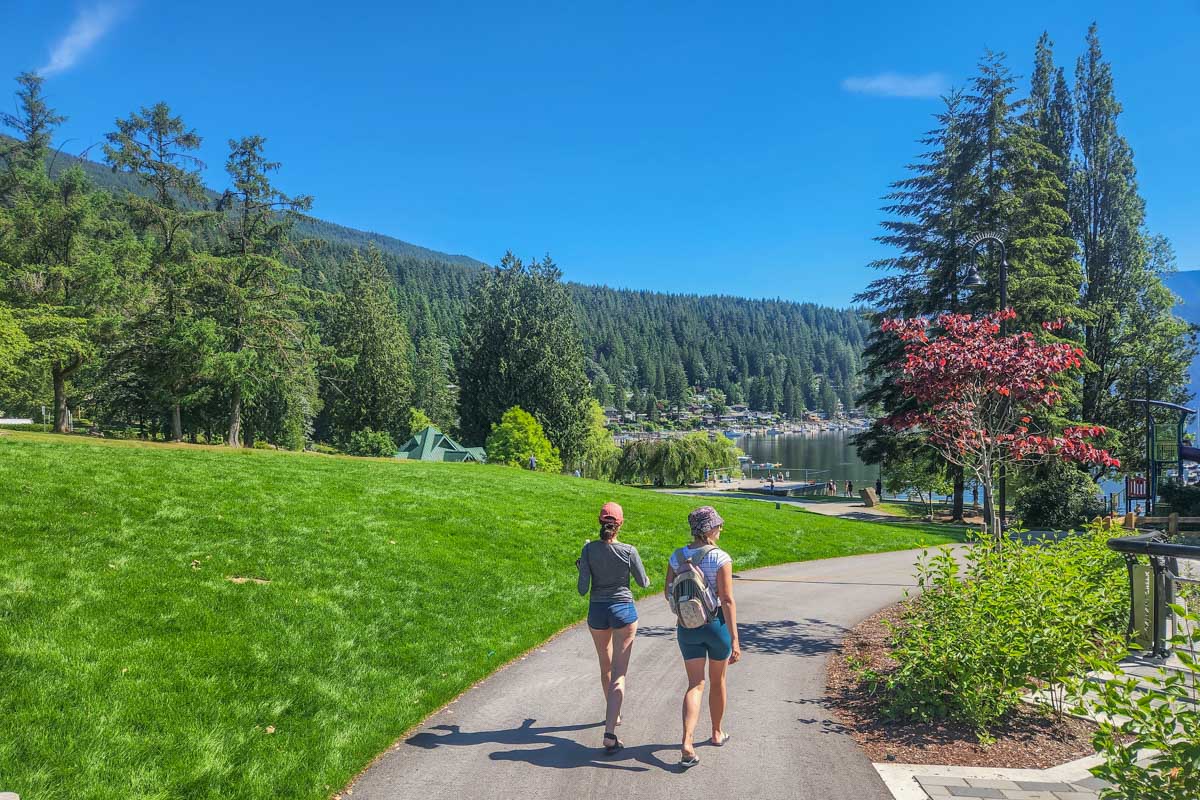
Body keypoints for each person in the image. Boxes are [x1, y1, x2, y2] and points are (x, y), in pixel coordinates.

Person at [665, 506, 740, 768]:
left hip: (687, 627)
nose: (720, 529)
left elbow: (668, 593)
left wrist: (688, 612)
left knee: (695, 684)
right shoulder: (721, 558)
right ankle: (717, 733)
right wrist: (735, 639)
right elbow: (727, 600)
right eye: (717, 525)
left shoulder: (677, 557)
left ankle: (687, 741)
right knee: (717, 680)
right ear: (708, 529)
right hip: (715, 624)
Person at [576, 502, 649, 753]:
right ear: (621, 523)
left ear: (599, 521)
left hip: (597, 611)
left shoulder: (588, 550)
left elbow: (582, 589)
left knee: (605, 666)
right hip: (623, 611)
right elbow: (644, 583)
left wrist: (582, 566)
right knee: (619, 672)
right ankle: (610, 733)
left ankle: (613, 714)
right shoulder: (629, 550)